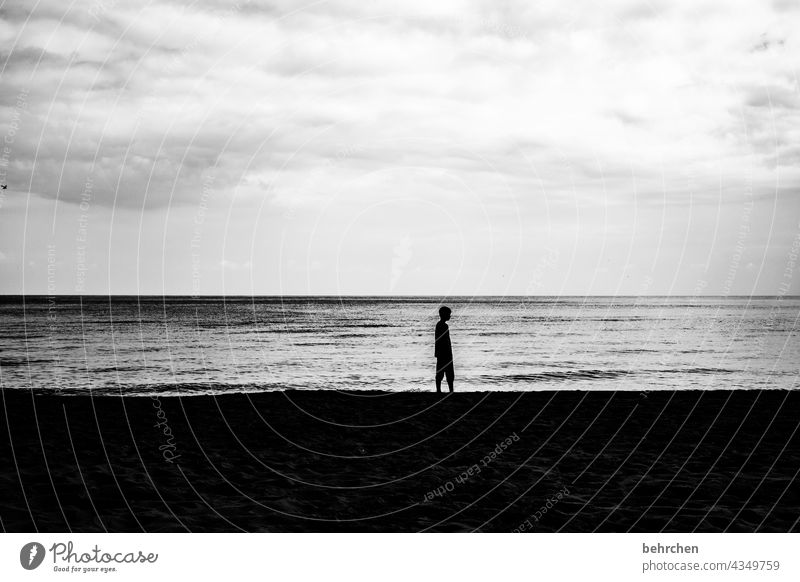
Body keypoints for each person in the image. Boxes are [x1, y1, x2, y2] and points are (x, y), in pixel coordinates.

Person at [434, 306, 454, 393]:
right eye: (449, 314)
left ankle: (439, 390)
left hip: (441, 353)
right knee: (448, 373)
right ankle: (449, 390)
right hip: (445, 353)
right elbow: (444, 340)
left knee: (441, 372)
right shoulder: (443, 326)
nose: (450, 316)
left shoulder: (440, 325)